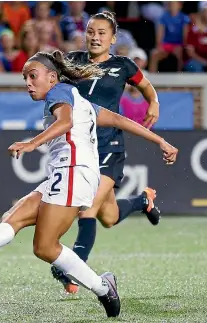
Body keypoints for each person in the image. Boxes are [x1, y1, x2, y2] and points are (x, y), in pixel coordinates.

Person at [0, 51, 178, 319]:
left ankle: (103, 288)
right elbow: (118, 120)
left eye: (33, 76)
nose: (28, 83)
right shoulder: (80, 100)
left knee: (45, 246)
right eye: (25, 78)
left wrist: (32, 143)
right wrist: (160, 141)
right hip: (68, 173)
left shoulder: (59, 93)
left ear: (52, 77)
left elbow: (65, 122)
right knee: (14, 217)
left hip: (73, 172)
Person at [51, 11, 162, 293]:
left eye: (102, 33)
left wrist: (154, 103)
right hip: (81, 147)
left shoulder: (123, 65)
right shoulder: (72, 61)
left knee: (86, 208)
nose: (95, 37)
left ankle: (73, 267)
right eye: (91, 31)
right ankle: (142, 201)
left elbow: (146, 86)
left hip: (110, 146)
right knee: (109, 216)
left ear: (113, 38)